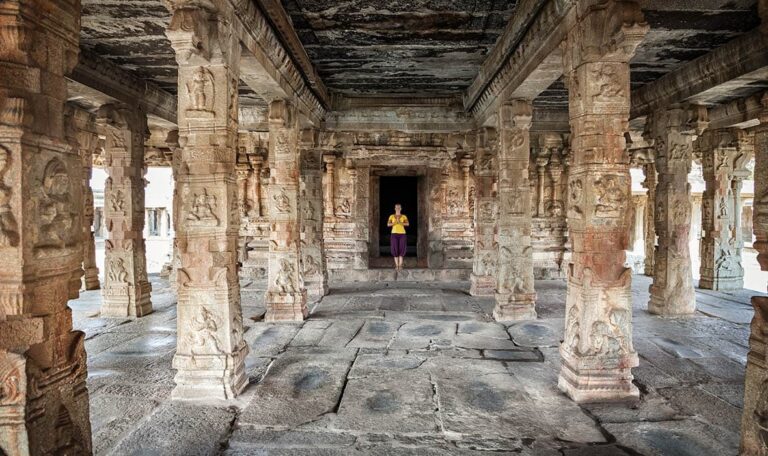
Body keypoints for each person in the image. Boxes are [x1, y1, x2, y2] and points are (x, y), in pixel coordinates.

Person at [387, 204, 409, 271]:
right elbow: (388, 224)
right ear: (395, 208)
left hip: (402, 234)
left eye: (399, 207)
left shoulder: (404, 216)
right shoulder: (391, 216)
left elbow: (407, 224)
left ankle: (400, 266)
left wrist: (400, 222)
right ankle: (396, 266)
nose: (398, 208)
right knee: (395, 249)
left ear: (401, 208)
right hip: (394, 234)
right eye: (396, 207)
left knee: (402, 249)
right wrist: (396, 222)